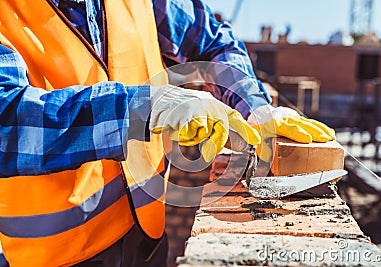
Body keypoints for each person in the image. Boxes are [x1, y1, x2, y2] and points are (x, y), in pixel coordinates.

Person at [0, 0, 335, 266]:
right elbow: (8, 120)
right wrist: (142, 107)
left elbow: (212, 41)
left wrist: (255, 108)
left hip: (145, 236)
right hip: (50, 255)